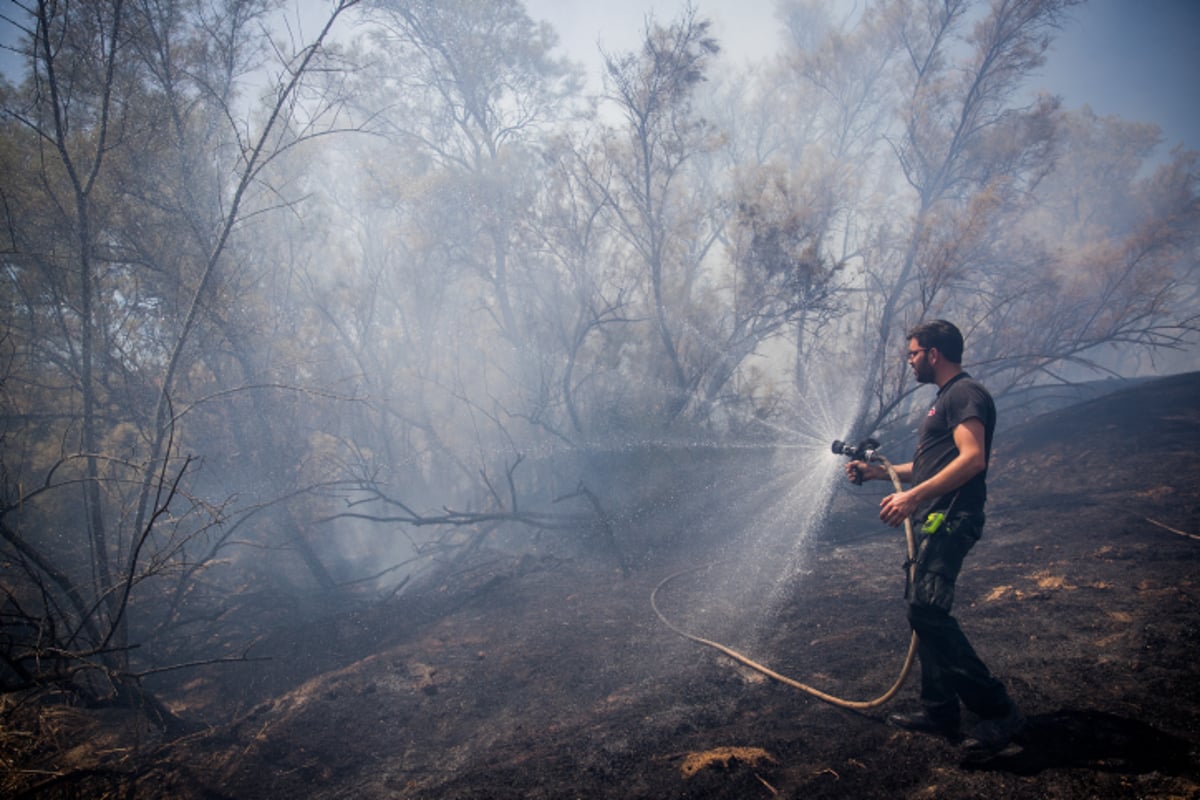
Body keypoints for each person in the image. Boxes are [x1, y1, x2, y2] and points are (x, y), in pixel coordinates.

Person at [845, 319, 1024, 758]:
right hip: (935, 516)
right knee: (923, 609)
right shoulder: (945, 400)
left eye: (912, 354)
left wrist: (912, 498)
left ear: (934, 354)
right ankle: (941, 710)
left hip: (952, 516)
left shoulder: (965, 394)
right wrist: (874, 474)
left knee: (927, 611)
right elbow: (929, 465)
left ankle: (998, 710)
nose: (908, 362)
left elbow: (973, 458)